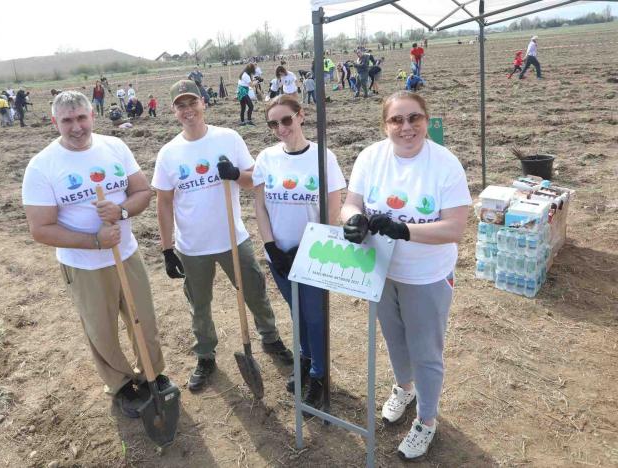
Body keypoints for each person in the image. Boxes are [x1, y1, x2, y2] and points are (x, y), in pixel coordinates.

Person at [21, 90, 170, 418]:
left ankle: (152, 374)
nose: (76, 127)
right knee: (101, 331)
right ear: (55, 122)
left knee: (143, 320)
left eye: (81, 118)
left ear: (92, 116)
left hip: (127, 255)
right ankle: (121, 384)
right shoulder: (42, 166)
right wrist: (96, 241)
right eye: (67, 121)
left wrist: (121, 211)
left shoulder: (114, 147)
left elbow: (142, 191)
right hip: (84, 266)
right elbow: (40, 229)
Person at [340, 91, 471, 461]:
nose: (406, 127)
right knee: (395, 339)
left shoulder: (445, 164)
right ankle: (404, 387)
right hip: (381, 270)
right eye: (396, 120)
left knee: (426, 350)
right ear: (385, 125)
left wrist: (405, 231)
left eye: (414, 118)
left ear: (426, 120)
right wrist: (352, 220)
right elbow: (351, 203)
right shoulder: (371, 157)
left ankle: (426, 419)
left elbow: (455, 228)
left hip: (427, 275)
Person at [152, 80, 293, 392]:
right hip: (192, 246)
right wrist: (167, 249)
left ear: (204, 103)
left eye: (193, 102)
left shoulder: (228, 138)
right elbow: (163, 203)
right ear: (174, 111)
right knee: (199, 304)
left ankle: (270, 338)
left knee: (255, 291)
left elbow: (254, 180)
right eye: (181, 105)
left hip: (233, 239)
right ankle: (205, 355)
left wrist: (236, 175)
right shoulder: (168, 153)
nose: (188, 110)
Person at [252, 95, 345, 408]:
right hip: (279, 256)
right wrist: (270, 246)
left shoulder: (323, 157)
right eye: (273, 124)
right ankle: (305, 359)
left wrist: (310, 248)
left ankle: (319, 374)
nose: (281, 128)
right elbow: (260, 206)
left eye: (286, 120)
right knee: (297, 312)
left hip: (313, 255)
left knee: (315, 316)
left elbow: (333, 208)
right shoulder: (266, 157)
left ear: (301, 116)